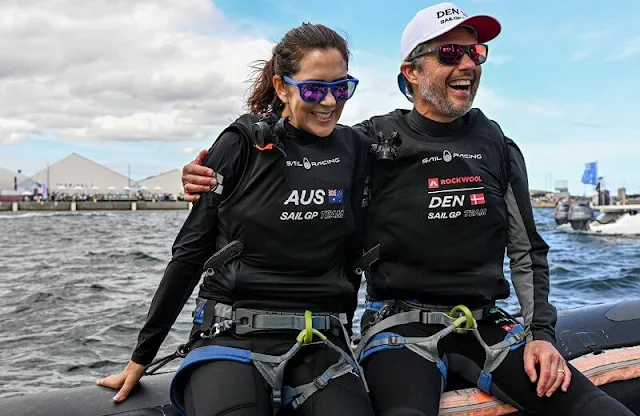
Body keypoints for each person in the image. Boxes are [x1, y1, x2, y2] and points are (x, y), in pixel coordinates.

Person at [180, 3, 635, 416]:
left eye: (476, 54)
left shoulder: (498, 144)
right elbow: (294, 150)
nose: (467, 65)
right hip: (399, 330)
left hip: (488, 325)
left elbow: (527, 251)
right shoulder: (369, 143)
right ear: (411, 71)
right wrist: (214, 170)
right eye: (450, 54)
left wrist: (541, 335)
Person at [97, 23, 376, 416]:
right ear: (281, 87)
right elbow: (190, 252)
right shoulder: (242, 143)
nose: (329, 101)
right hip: (233, 335)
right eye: (314, 89)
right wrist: (142, 356)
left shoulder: (357, 149)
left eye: (341, 87)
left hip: (321, 340)